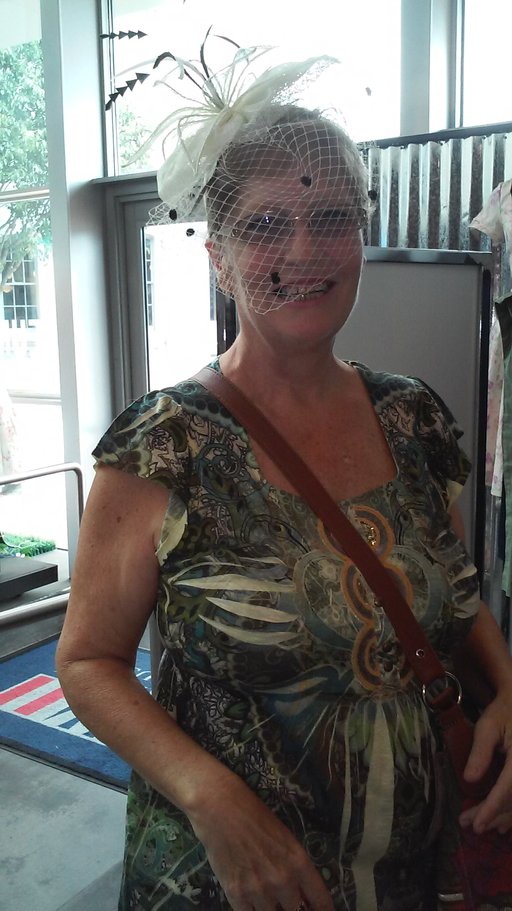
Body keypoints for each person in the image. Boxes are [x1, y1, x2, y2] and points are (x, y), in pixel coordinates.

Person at [56, 42, 512, 910]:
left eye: (335, 217)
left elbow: (452, 595)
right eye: (266, 223)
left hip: (413, 872)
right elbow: (85, 660)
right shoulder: (162, 446)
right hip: (231, 878)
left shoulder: (413, 417)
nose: (306, 248)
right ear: (218, 256)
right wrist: (211, 795)